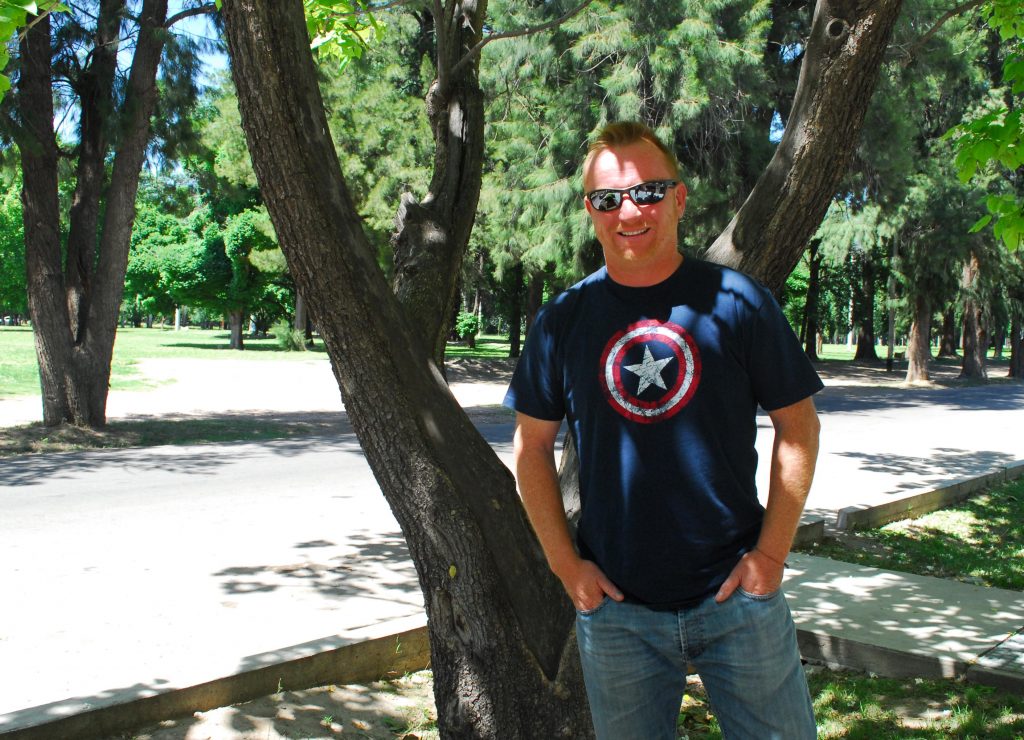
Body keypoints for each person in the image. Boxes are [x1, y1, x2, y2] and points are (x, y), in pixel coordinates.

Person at [504, 121, 822, 739]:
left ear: (679, 198)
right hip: (618, 613)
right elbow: (532, 448)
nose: (629, 211)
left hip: (738, 599)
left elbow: (799, 427)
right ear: (591, 211)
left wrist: (770, 556)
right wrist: (567, 568)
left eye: (648, 192)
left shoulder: (739, 302)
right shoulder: (562, 321)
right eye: (608, 198)